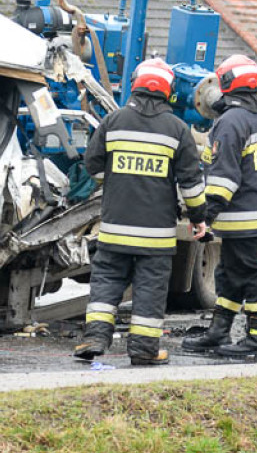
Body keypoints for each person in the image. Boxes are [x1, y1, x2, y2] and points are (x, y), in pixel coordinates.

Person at [74, 58, 207, 366]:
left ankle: (95, 338)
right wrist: (199, 218)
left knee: (106, 282)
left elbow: (92, 165)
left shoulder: (114, 121)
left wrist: (119, 182)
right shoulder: (178, 130)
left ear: (135, 84)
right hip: (156, 235)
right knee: (150, 289)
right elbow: (191, 183)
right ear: (168, 91)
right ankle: (144, 350)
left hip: (115, 228)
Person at [182, 54, 257, 361]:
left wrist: (204, 217)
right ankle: (219, 332)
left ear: (226, 83)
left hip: (242, 215)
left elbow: (224, 178)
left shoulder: (231, 122)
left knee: (249, 274)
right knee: (230, 274)